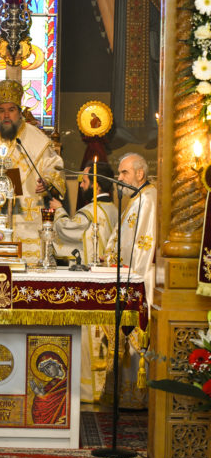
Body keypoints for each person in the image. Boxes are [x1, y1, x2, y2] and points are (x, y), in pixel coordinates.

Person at [0, 79, 65, 264]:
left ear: (19, 111)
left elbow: (55, 164)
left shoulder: (36, 138)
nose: (6, 115)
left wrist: (48, 180)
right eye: (1, 110)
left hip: (27, 217)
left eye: (11, 110)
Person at [49, 161, 118, 403]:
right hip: (109, 283)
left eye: (85, 181)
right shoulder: (114, 209)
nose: (81, 185)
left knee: (91, 337)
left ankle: (90, 390)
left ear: (96, 185)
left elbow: (68, 230)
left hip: (92, 283)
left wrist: (58, 210)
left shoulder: (92, 211)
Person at [103, 152, 157, 409]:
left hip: (138, 280)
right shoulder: (137, 199)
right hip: (128, 277)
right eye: (119, 172)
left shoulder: (148, 199)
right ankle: (125, 396)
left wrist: (134, 281)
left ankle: (136, 397)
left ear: (140, 173)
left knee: (136, 336)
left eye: (124, 172)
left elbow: (144, 246)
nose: (119, 177)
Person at [30, 351, 68, 425]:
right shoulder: (50, 386)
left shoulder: (70, 379)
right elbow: (40, 414)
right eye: (43, 370)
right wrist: (39, 396)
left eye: (48, 367)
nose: (47, 371)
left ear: (57, 363)